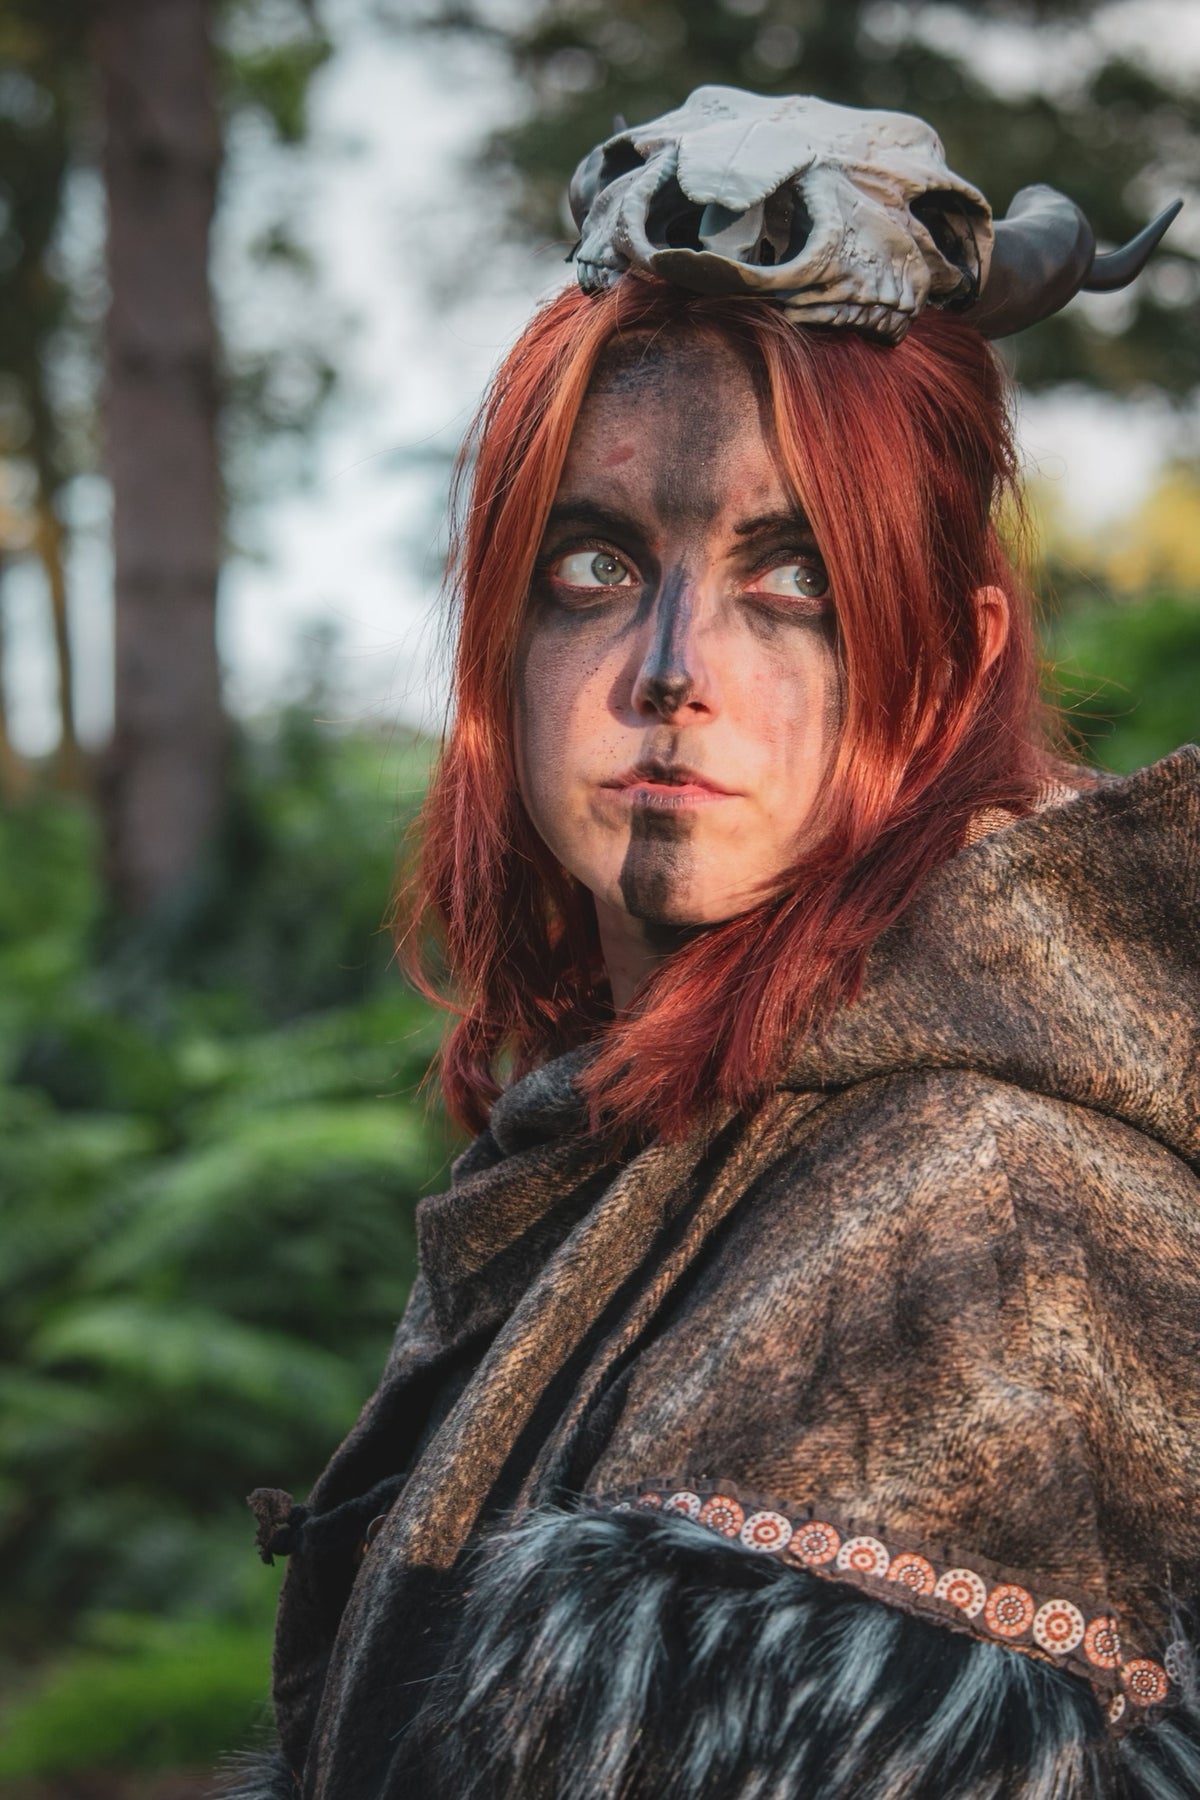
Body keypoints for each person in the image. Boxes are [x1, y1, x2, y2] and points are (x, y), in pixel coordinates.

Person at [244, 88, 1200, 1800]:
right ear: (502, 640)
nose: (672, 664)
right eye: (597, 565)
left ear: (951, 664)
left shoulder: (995, 1209)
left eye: (793, 579)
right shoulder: (633, 1143)